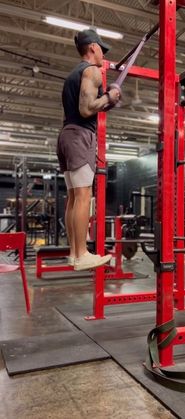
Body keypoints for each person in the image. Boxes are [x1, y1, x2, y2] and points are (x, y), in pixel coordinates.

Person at [57, 29, 121, 271]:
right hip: (80, 136)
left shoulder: (72, 75)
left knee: (74, 196)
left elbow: (82, 108)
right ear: (92, 47)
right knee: (84, 196)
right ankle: (82, 253)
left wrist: (106, 99)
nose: (103, 56)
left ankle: (74, 254)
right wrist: (111, 96)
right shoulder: (91, 71)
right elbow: (86, 109)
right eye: (102, 50)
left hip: (66, 135)